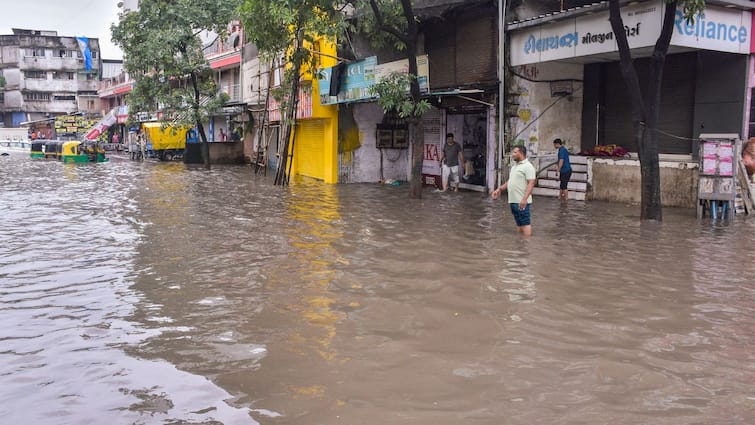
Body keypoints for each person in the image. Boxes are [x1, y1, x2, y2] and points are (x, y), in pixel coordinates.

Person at [491, 145, 536, 237]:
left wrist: (524, 199)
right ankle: (520, 242)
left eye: (515, 152)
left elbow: (531, 183)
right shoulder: (515, 166)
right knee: (519, 223)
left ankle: (526, 245)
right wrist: (499, 189)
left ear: (521, 153)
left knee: (525, 223)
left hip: (522, 201)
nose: (513, 154)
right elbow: (510, 181)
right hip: (513, 200)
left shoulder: (528, 166)